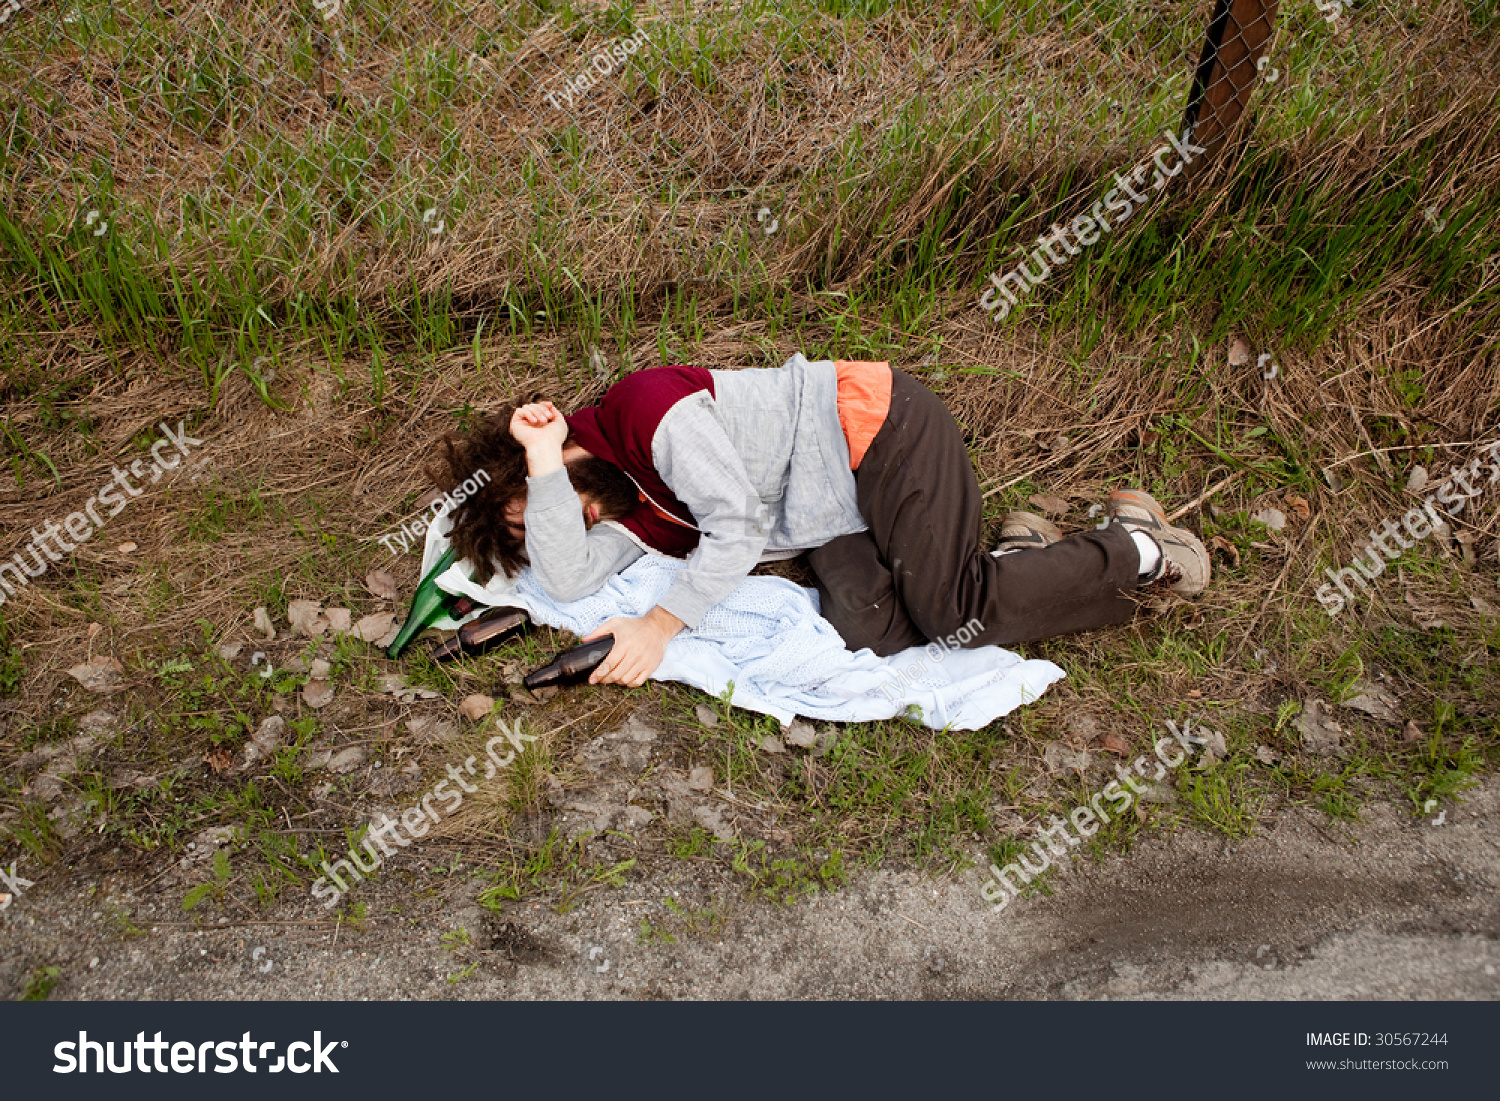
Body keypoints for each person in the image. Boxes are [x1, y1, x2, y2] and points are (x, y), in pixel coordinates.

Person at [431, 355, 1209, 686]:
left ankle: (1139, 548)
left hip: (878, 434)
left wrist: (661, 625)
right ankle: (1024, 554)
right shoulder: (627, 515)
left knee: (954, 612)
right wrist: (542, 474)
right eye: (552, 521)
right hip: (834, 515)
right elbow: (567, 576)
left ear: (560, 436)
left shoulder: (642, 411)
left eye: (560, 497)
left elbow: (734, 524)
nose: (578, 515)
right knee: (869, 632)